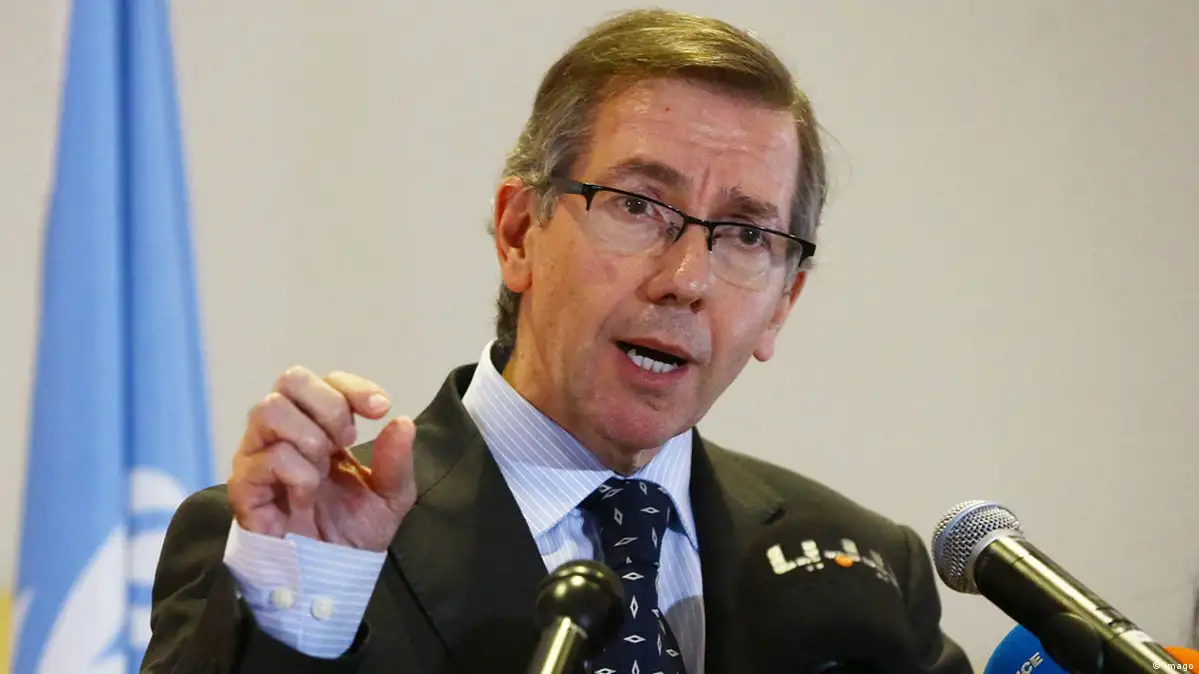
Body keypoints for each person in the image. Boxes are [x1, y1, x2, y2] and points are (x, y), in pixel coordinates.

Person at [142, 8, 972, 674]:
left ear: (782, 304)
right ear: (517, 233)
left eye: (745, 235)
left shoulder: (863, 572)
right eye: (638, 206)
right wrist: (300, 613)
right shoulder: (307, 544)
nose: (685, 278)